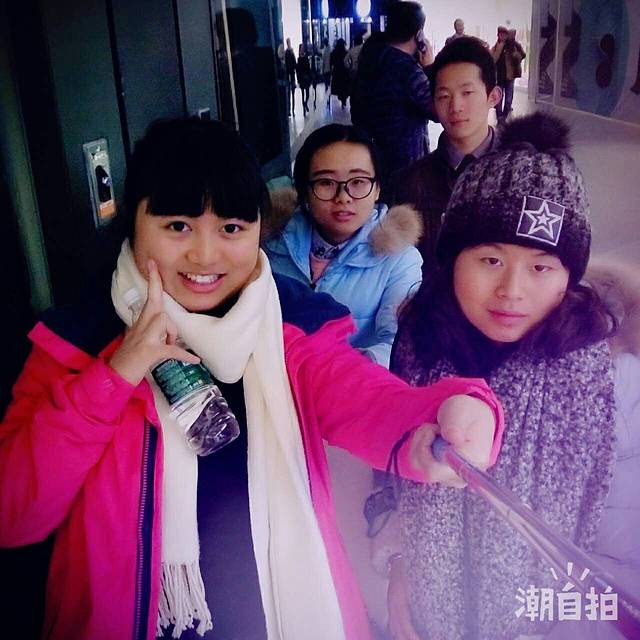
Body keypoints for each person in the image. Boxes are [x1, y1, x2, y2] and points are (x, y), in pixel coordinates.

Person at [0, 117, 503, 640]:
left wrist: (441, 414)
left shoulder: (290, 328)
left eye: (231, 229)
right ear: (135, 224)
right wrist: (114, 377)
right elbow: (14, 513)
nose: (204, 254)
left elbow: (368, 399)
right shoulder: (74, 346)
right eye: (177, 227)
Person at [375, 112, 639, 640]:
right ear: (453, 261)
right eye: (490, 260)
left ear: (569, 275)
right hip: (428, 619)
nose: (512, 291)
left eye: (541, 267)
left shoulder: (607, 381)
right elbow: (390, 470)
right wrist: (398, 563)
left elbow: (621, 541)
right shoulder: (419, 349)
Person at [265, 123, 423, 368]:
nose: (344, 197)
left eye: (358, 181)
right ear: (305, 191)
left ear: (377, 189)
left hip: (354, 385)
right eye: (326, 182)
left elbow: (400, 343)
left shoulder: (399, 259)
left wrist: (341, 369)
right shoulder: (269, 245)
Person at [390, 36, 501, 271]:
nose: (455, 106)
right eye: (443, 96)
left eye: (467, 92)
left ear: (493, 96)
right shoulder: (409, 183)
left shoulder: (524, 177)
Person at [351, 1, 435, 178]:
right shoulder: (408, 70)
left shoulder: (373, 58)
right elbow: (436, 110)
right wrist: (429, 68)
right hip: (406, 162)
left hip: (373, 155)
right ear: (419, 34)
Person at [491, 26, 526, 122]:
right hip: (499, 76)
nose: (503, 36)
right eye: (501, 34)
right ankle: (500, 117)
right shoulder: (497, 45)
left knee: (508, 100)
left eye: (505, 34)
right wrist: (499, 48)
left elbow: (523, 55)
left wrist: (516, 55)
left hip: (510, 77)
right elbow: (493, 59)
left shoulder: (514, 45)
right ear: (498, 35)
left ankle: (504, 116)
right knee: (499, 98)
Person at [330, 38, 350, 108]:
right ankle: (343, 101)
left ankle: (341, 99)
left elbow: (331, 62)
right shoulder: (346, 52)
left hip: (337, 72)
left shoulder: (334, 53)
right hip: (344, 72)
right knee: (344, 86)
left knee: (339, 87)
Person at [296, 44, 312, 115]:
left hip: (307, 78)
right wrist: (299, 79)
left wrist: (310, 76)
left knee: (307, 94)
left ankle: (305, 103)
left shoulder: (306, 58)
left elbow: (308, 68)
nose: (302, 49)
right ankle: (304, 109)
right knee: (303, 94)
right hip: (302, 78)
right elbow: (298, 70)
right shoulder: (299, 59)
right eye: (301, 48)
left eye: (303, 48)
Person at [284, 37, 297, 116]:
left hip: (290, 75)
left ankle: (291, 109)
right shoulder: (288, 52)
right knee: (290, 93)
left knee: (291, 93)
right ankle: (290, 109)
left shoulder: (289, 52)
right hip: (290, 74)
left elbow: (294, 63)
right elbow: (294, 63)